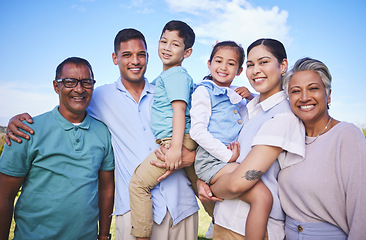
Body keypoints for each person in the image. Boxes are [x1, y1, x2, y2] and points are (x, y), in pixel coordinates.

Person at [5, 28, 199, 240]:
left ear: (147, 57)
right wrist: (16, 120)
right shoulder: (100, 96)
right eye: (126, 55)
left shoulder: (165, 93)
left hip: (181, 207)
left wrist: (192, 156)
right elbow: (70, 104)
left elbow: (203, 119)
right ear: (115, 58)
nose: (134, 61)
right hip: (133, 212)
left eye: (140, 55)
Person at [193, 38, 305, 240]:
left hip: (249, 229)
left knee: (261, 196)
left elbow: (238, 183)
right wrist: (203, 178)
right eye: (251, 65)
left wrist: (209, 187)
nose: (255, 70)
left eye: (263, 62)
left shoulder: (282, 116)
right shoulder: (247, 109)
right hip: (224, 220)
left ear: (283, 66)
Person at [0, 57, 115, 240]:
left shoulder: (102, 132)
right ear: (56, 86)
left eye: (86, 82)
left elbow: (106, 188)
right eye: (70, 81)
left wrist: (103, 236)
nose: (79, 89)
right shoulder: (27, 130)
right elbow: (4, 196)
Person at [190, 40, 274, 240]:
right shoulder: (205, 91)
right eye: (218, 61)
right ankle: (215, 220)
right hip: (213, 160)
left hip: (228, 160)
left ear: (239, 70)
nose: (223, 67)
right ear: (209, 63)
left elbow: (252, 120)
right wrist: (228, 156)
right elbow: (197, 131)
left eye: (231, 63)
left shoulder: (237, 93)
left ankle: (215, 220)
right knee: (261, 195)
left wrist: (252, 97)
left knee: (259, 193)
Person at [128, 20, 200, 240]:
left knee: (138, 184)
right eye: (163, 41)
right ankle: (220, 221)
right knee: (202, 185)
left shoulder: (175, 75)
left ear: (187, 52)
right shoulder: (166, 78)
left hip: (174, 140)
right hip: (179, 140)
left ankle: (141, 235)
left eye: (175, 44)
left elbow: (179, 110)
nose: (167, 48)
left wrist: (175, 148)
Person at [279, 57, 366, 239]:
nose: (304, 97)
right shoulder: (287, 139)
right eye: (295, 91)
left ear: (328, 95)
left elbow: (362, 210)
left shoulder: (347, 135)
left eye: (313, 88)